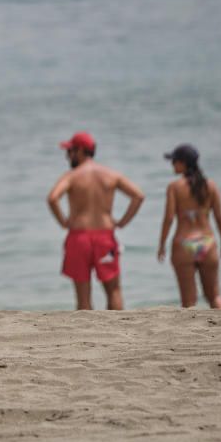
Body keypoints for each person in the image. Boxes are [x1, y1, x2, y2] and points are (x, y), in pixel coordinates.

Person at [47, 132, 145, 310]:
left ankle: (87, 334)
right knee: (113, 290)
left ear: (81, 151)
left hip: (79, 238)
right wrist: (122, 222)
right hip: (105, 238)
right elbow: (138, 196)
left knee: (83, 295)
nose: (67, 156)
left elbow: (53, 198)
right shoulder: (110, 174)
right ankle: (117, 330)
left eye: (70, 151)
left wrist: (63, 222)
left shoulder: (71, 176)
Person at [156, 144, 221, 308]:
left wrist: (161, 245)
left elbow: (168, 218)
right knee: (215, 296)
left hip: (183, 243)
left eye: (174, 161)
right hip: (207, 242)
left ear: (183, 163)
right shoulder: (211, 185)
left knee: (188, 301)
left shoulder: (174, 187)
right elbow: (219, 217)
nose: (172, 165)